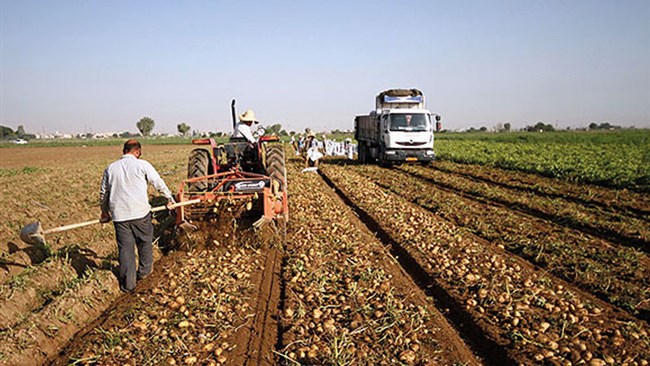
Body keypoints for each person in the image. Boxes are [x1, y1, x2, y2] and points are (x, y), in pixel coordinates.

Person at [99, 139, 175, 292]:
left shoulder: (110, 168)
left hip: (120, 216)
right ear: (138, 152)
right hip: (140, 213)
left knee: (125, 250)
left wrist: (104, 211)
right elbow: (157, 182)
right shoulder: (142, 165)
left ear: (124, 151)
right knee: (145, 242)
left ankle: (128, 285)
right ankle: (145, 275)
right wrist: (169, 198)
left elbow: (103, 193)